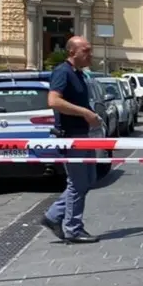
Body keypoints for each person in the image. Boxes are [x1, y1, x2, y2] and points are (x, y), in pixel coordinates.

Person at [40, 35, 102, 244]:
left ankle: (52, 216)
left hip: (83, 136)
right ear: (72, 52)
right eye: (86, 50)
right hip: (71, 137)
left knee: (88, 180)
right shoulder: (62, 72)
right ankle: (73, 228)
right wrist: (85, 113)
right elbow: (54, 100)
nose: (90, 54)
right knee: (77, 183)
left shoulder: (80, 75)